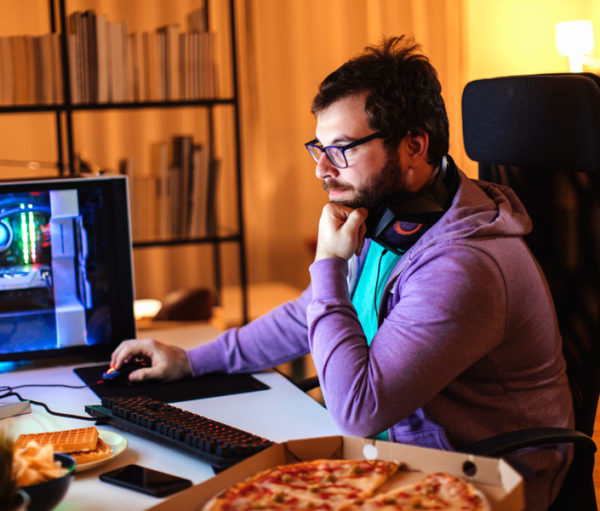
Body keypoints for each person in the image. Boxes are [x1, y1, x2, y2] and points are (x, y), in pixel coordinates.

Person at [111, 36, 574, 510]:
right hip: (401, 463)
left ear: (414, 146)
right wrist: (190, 361)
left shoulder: (463, 266)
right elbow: (305, 313)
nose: (322, 171)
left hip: (482, 486)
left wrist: (330, 263)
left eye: (343, 149)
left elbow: (357, 411)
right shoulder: (393, 219)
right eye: (320, 148)